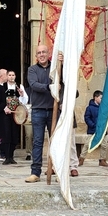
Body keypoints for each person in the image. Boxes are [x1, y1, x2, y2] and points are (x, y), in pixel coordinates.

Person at [26, 45, 80, 182]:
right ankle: (35, 173)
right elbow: (34, 85)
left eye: (44, 52)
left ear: (48, 53)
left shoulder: (55, 68)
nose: (41, 54)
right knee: (37, 142)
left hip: (53, 110)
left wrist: (63, 63)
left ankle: (58, 171)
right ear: (36, 56)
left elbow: (66, 80)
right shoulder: (32, 70)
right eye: (39, 53)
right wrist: (50, 87)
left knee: (56, 143)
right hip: (38, 110)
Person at [2, 70, 27, 164]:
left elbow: (24, 101)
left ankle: (11, 156)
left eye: (13, 75)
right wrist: (5, 108)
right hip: (6, 113)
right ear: (7, 76)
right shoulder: (3, 86)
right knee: (6, 134)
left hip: (16, 114)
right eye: (9, 75)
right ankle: (6, 156)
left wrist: (22, 95)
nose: (11, 77)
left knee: (14, 134)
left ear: (15, 76)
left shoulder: (19, 86)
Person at [83, 90, 108, 167]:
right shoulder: (89, 108)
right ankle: (81, 158)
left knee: (104, 145)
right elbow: (87, 118)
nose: (102, 100)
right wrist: (92, 125)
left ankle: (102, 159)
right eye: (101, 98)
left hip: (102, 129)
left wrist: (107, 125)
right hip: (93, 129)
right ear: (95, 98)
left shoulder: (103, 108)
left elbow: (106, 117)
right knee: (87, 144)